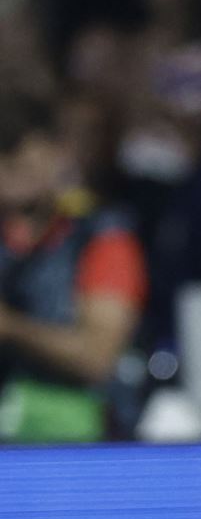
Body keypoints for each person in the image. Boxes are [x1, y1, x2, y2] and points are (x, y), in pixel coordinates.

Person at [0, 96, 147, 442]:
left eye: (25, 164)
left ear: (57, 154)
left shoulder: (103, 238)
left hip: (81, 434)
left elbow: (97, 357)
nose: (13, 176)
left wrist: (11, 327)